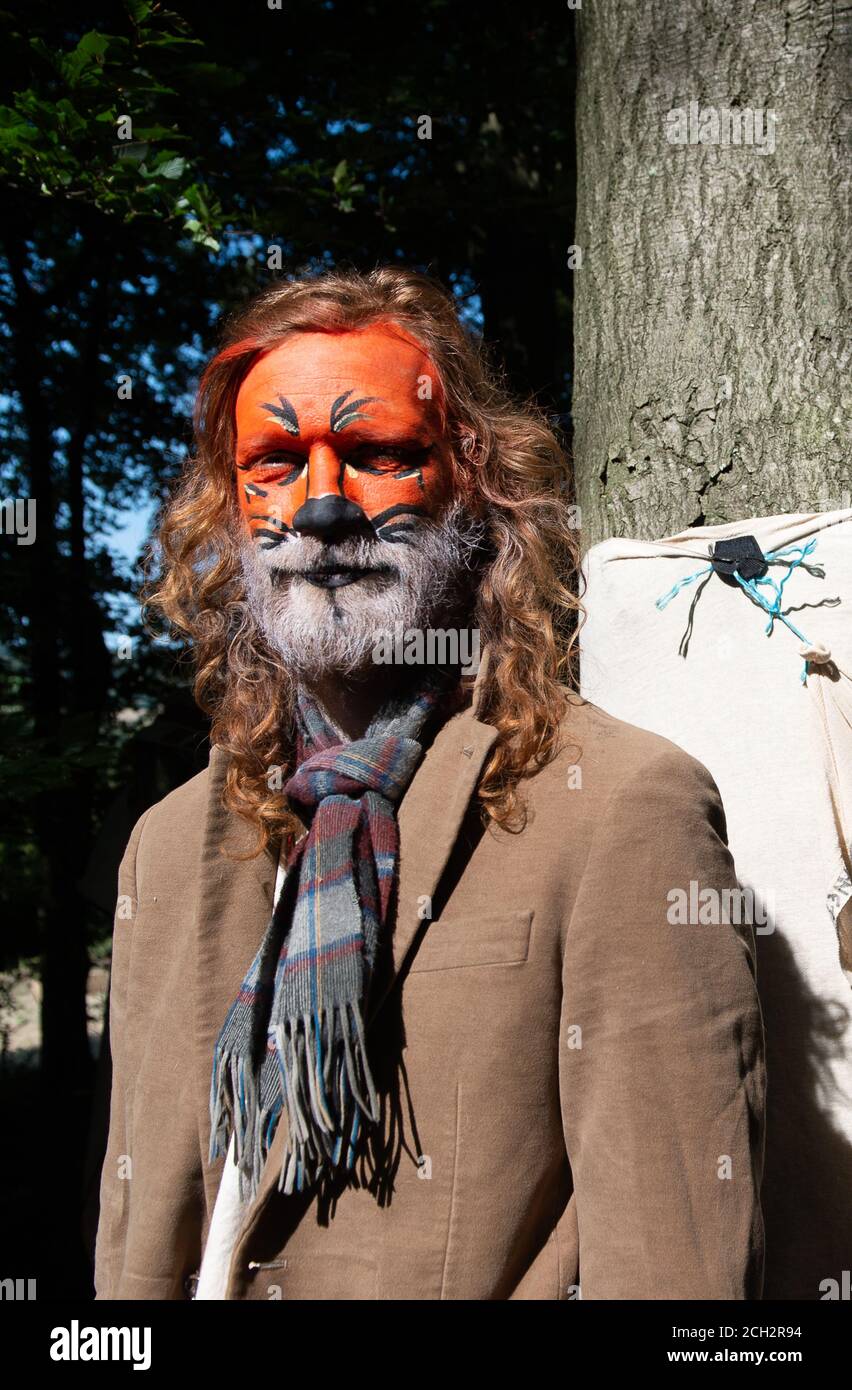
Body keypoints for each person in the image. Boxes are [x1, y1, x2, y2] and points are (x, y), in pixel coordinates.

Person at [94, 266, 765, 1300]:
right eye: (275, 462)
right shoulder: (172, 843)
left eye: (374, 456)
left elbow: (678, 1275)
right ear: (230, 512)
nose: (321, 508)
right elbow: (138, 1233)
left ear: (472, 486)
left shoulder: (621, 808)